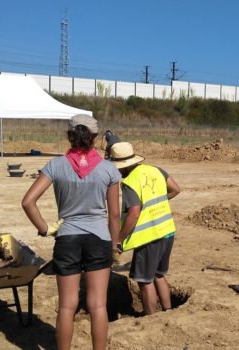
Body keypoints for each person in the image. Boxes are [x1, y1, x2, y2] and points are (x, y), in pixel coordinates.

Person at [21, 114, 121, 350]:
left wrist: (45, 229)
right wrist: (114, 245)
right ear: (96, 138)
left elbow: (28, 202)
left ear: (69, 136)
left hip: (67, 238)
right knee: (98, 305)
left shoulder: (55, 166)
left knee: (67, 306)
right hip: (98, 238)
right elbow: (114, 215)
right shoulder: (108, 169)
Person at [110, 141, 180, 316]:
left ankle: (151, 318)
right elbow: (175, 189)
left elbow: (133, 214)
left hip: (150, 237)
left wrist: (118, 238)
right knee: (158, 275)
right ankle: (167, 310)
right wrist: (158, 203)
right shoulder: (155, 170)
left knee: (144, 280)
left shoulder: (130, 182)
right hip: (167, 231)